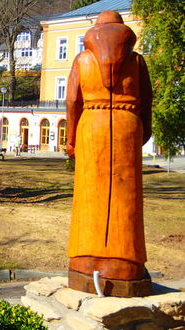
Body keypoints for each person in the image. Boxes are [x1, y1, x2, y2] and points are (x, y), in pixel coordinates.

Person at [66, 11, 152, 295]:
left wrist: (71, 139)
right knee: (125, 197)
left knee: (89, 196)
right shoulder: (137, 61)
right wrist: (144, 130)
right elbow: (147, 100)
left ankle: (83, 259)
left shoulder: (82, 59)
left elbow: (72, 101)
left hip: (91, 126)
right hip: (127, 125)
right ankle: (127, 262)